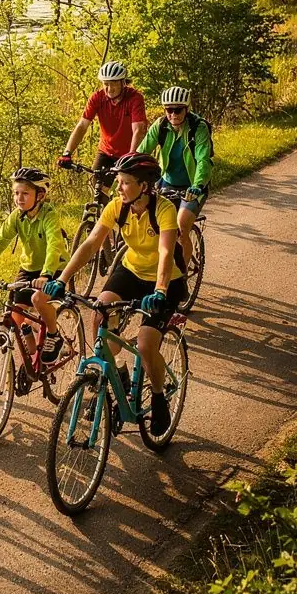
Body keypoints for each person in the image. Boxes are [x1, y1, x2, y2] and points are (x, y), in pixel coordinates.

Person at [45, 152, 187, 437]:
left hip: (165, 281)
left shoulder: (164, 210)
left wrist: (159, 290)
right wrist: (62, 279)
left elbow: (165, 252)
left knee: (146, 344)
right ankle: (116, 372)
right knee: (100, 316)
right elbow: (90, 244)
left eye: (124, 182)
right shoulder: (116, 207)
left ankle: (158, 396)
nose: (118, 187)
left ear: (143, 186)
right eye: (118, 181)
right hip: (131, 270)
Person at [0, 167, 68, 364]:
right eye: (16, 193)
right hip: (29, 268)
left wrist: (46, 275)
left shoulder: (49, 215)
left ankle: (54, 335)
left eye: (25, 194)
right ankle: (30, 359)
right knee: (16, 316)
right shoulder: (17, 216)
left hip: (54, 268)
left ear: (40, 195)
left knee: (39, 300)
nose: (19, 198)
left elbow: (54, 246)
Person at [138, 85, 212, 265]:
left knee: (181, 224)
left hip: (193, 186)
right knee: (151, 221)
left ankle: (182, 274)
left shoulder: (198, 127)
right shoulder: (161, 125)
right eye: (169, 110)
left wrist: (197, 185)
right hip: (166, 182)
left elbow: (203, 160)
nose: (173, 114)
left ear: (186, 109)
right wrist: (128, 171)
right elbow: (141, 152)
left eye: (178, 110)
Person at [58, 61, 147, 184]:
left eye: (113, 84)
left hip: (129, 153)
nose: (109, 89)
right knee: (96, 185)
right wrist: (67, 153)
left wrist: (131, 157)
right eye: (106, 84)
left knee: (127, 188)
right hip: (106, 152)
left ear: (123, 82)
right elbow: (82, 126)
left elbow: (138, 130)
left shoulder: (135, 98)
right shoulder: (97, 98)